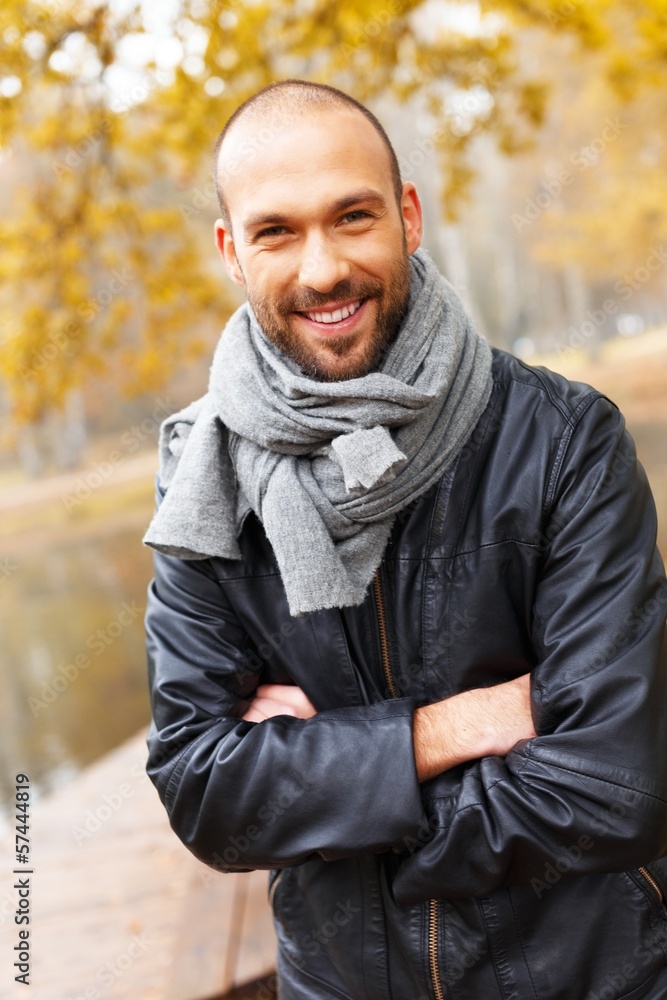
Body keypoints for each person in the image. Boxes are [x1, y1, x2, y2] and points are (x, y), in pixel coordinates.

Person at [143, 79, 667, 1000]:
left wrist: (325, 796)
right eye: (276, 231)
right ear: (231, 251)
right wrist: (456, 728)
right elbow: (201, 791)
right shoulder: (201, 480)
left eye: (352, 217)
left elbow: (616, 785)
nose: (321, 270)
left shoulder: (562, 438)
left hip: (590, 976)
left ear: (409, 218)